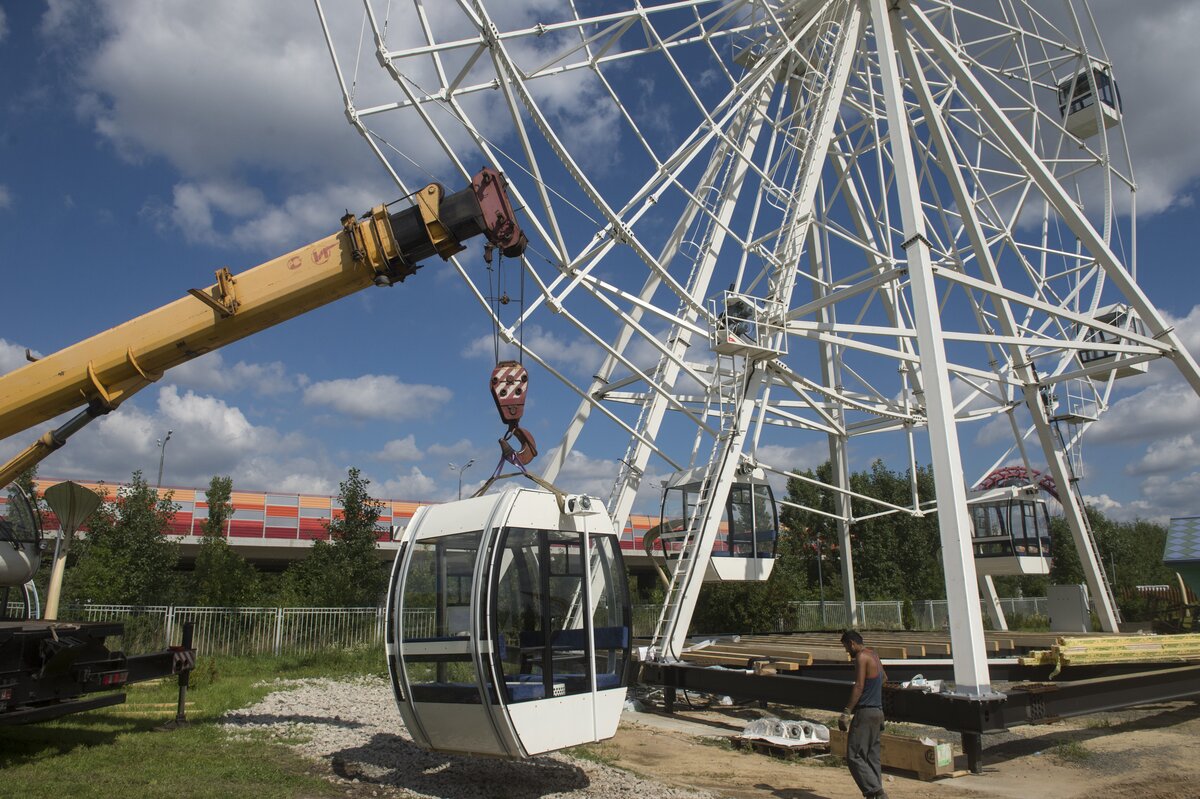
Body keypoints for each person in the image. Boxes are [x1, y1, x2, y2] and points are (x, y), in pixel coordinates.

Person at [838, 629, 888, 799]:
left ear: (852, 643)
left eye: (846, 647)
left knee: (854, 756)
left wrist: (846, 712)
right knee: (872, 757)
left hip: (865, 712)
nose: (846, 651)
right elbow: (884, 679)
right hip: (878, 712)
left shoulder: (861, 657)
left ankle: (877, 792)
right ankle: (875, 793)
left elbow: (858, 686)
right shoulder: (874, 655)